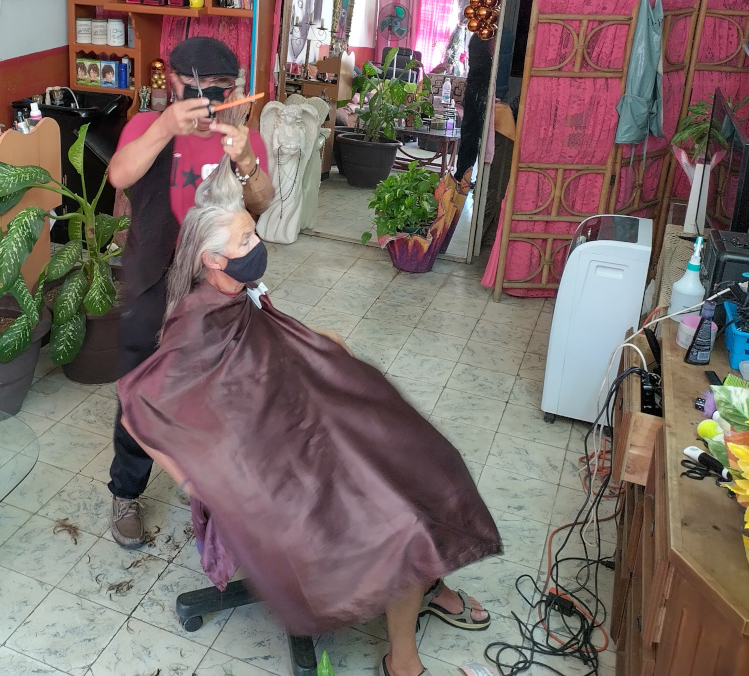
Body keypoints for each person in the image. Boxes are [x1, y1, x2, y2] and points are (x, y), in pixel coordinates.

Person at [118, 163, 497, 676]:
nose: (257, 245)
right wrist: (193, 482)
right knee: (399, 517)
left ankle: (425, 581)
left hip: (293, 424)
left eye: (253, 234)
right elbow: (136, 405)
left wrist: (320, 347)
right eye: (246, 240)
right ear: (212, 259)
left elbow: (267, 343)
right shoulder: (196, 324)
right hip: (272, 466)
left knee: (421, 459)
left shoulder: (236, 290)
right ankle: (403, 658)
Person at [105, 36, 274, 547]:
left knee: (220, 389)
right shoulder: (146, 126)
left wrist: (246, 162)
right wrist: (165, 126)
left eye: (221, 90)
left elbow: (263, 203)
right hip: (153, 276)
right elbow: (118, 175)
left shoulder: (241, 136)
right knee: (140, 386)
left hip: (216, 283)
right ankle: (126, 491)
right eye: (198, 89)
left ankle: (216, 490)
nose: (209, 102)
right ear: (174, 82)